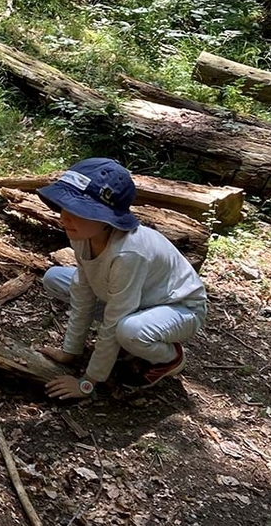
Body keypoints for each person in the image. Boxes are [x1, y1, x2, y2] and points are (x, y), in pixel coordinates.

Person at [36, 158, 207, 399]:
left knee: (128, 330)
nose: (65, 217)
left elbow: (115, 320)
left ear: (106, 219)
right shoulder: (82, 235)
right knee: (55, 278)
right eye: (63, 206)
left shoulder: (128, 252)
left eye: (76, 210)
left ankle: (169, 357)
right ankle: (127, 345)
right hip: (135, 296)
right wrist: (70, 351)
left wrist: (88, 382)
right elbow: (82, 292)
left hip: (179, 308)